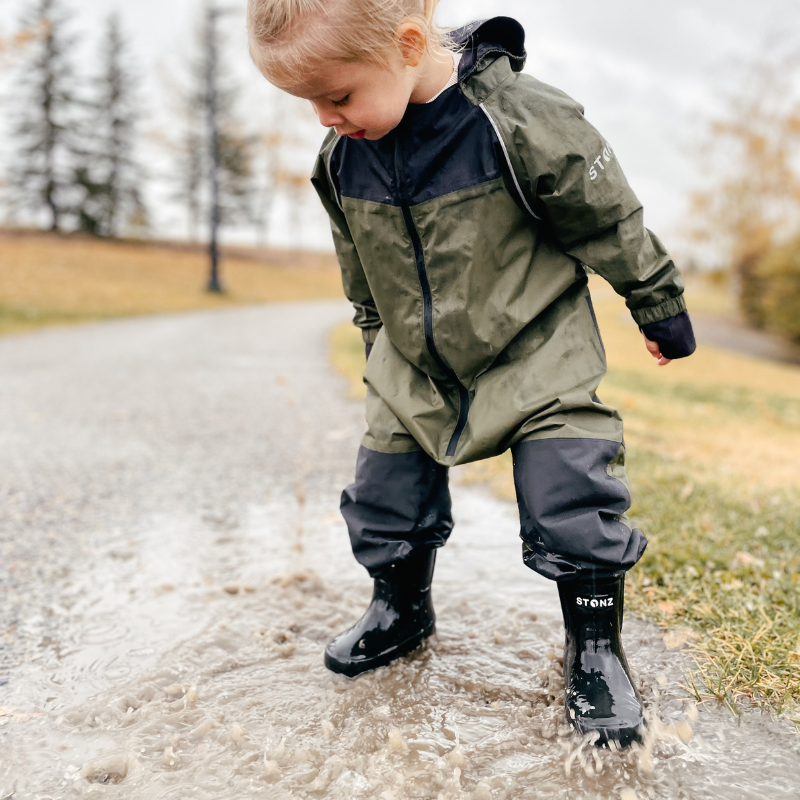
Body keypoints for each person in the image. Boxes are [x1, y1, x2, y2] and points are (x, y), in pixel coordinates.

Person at [247, 0, 696, 748]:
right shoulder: (343, 157)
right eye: (310, 103)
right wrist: (376, 348)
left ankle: (593, 647)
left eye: (338, 95)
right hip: (413, 362)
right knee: (383, 492)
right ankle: (400, 608)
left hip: (532, 347)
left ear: (409, 44)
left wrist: (656, 300)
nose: (325, 118)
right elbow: (361, 274)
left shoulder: (517, 117)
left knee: (572, 495)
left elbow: (604, 214)